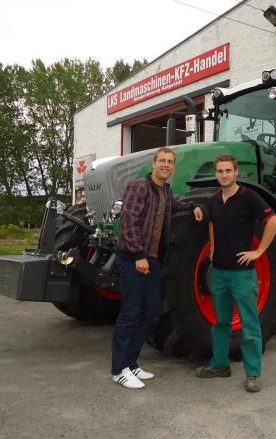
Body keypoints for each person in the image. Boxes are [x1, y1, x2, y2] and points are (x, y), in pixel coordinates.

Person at [112, 146, 204, 389]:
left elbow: (174, 206)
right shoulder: (138, 187)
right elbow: (129, 222)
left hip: (152, 260)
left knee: (151, 312)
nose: (166, 165)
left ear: (173, 166)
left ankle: (131, 364)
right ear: (153, 163)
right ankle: (118, 369)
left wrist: (194, 205)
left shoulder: (165, 190)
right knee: (130, 312)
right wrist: (138, 255)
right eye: (162, 161)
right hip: (134, 258)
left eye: (170, 162)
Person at [196, 154, 276, 393]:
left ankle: (253, 373)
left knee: (250, 325)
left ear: (236, 172)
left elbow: (273, 221)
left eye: (228, 171)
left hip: (242, 275)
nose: (224, 175)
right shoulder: (214, 200)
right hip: (219, 274)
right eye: (220, 171)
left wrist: (259, 251)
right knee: (220, 322)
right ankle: (220, 365)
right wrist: (212, 246)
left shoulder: (249, 197)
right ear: (216, 173)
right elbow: (211, 221)